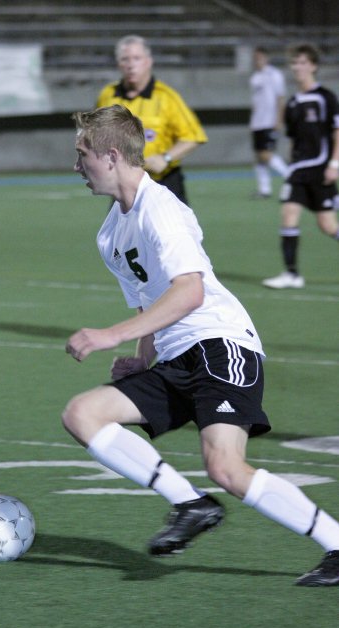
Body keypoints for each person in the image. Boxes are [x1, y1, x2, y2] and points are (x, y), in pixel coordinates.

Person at [62, 104, 339, 587]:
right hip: (175, 356)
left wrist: (110, 336)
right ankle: (190, 504)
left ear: (110, 156)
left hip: (220, 345)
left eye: (81, 154)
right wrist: (141, 355)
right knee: (81, 414)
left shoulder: (162, 208)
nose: (76, 166)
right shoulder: (110, 232)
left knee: (226, 467)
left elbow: (189, 291)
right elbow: (152, 297)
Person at [96, 35, 207, 205]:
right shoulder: (108, 95)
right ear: (119, 64)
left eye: (137, 58)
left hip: (163, 183)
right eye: (125, 59)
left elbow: (193, 136)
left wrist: (166, 158)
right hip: (124, 186)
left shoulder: (166, 97)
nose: (131, 65)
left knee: (172, 232)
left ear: (148, 62)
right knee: (123, 232)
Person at [263, 44, 339, 289]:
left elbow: (337, 132)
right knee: (288, 214)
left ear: (314, 66)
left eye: (303, 63)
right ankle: (292, 274)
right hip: (298, 170)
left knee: (327, 225)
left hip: (320, 168)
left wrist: (335, 164)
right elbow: (294, 138)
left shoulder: (326, 97)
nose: (298, 67)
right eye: (294, 63)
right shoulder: (293, 102)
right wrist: (291, 163)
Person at [249, 46, 288, 198]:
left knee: (266, 154)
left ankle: (290, 176)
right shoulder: (255, 77)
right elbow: (255, 102)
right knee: (259, 156)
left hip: (269, 121)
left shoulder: (274, 75)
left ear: (266, 58)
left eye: (259, 57)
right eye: (255, 58)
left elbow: (280, 97)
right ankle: (264, 190)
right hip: (257, 123)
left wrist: (279, 119)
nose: (257, 61)